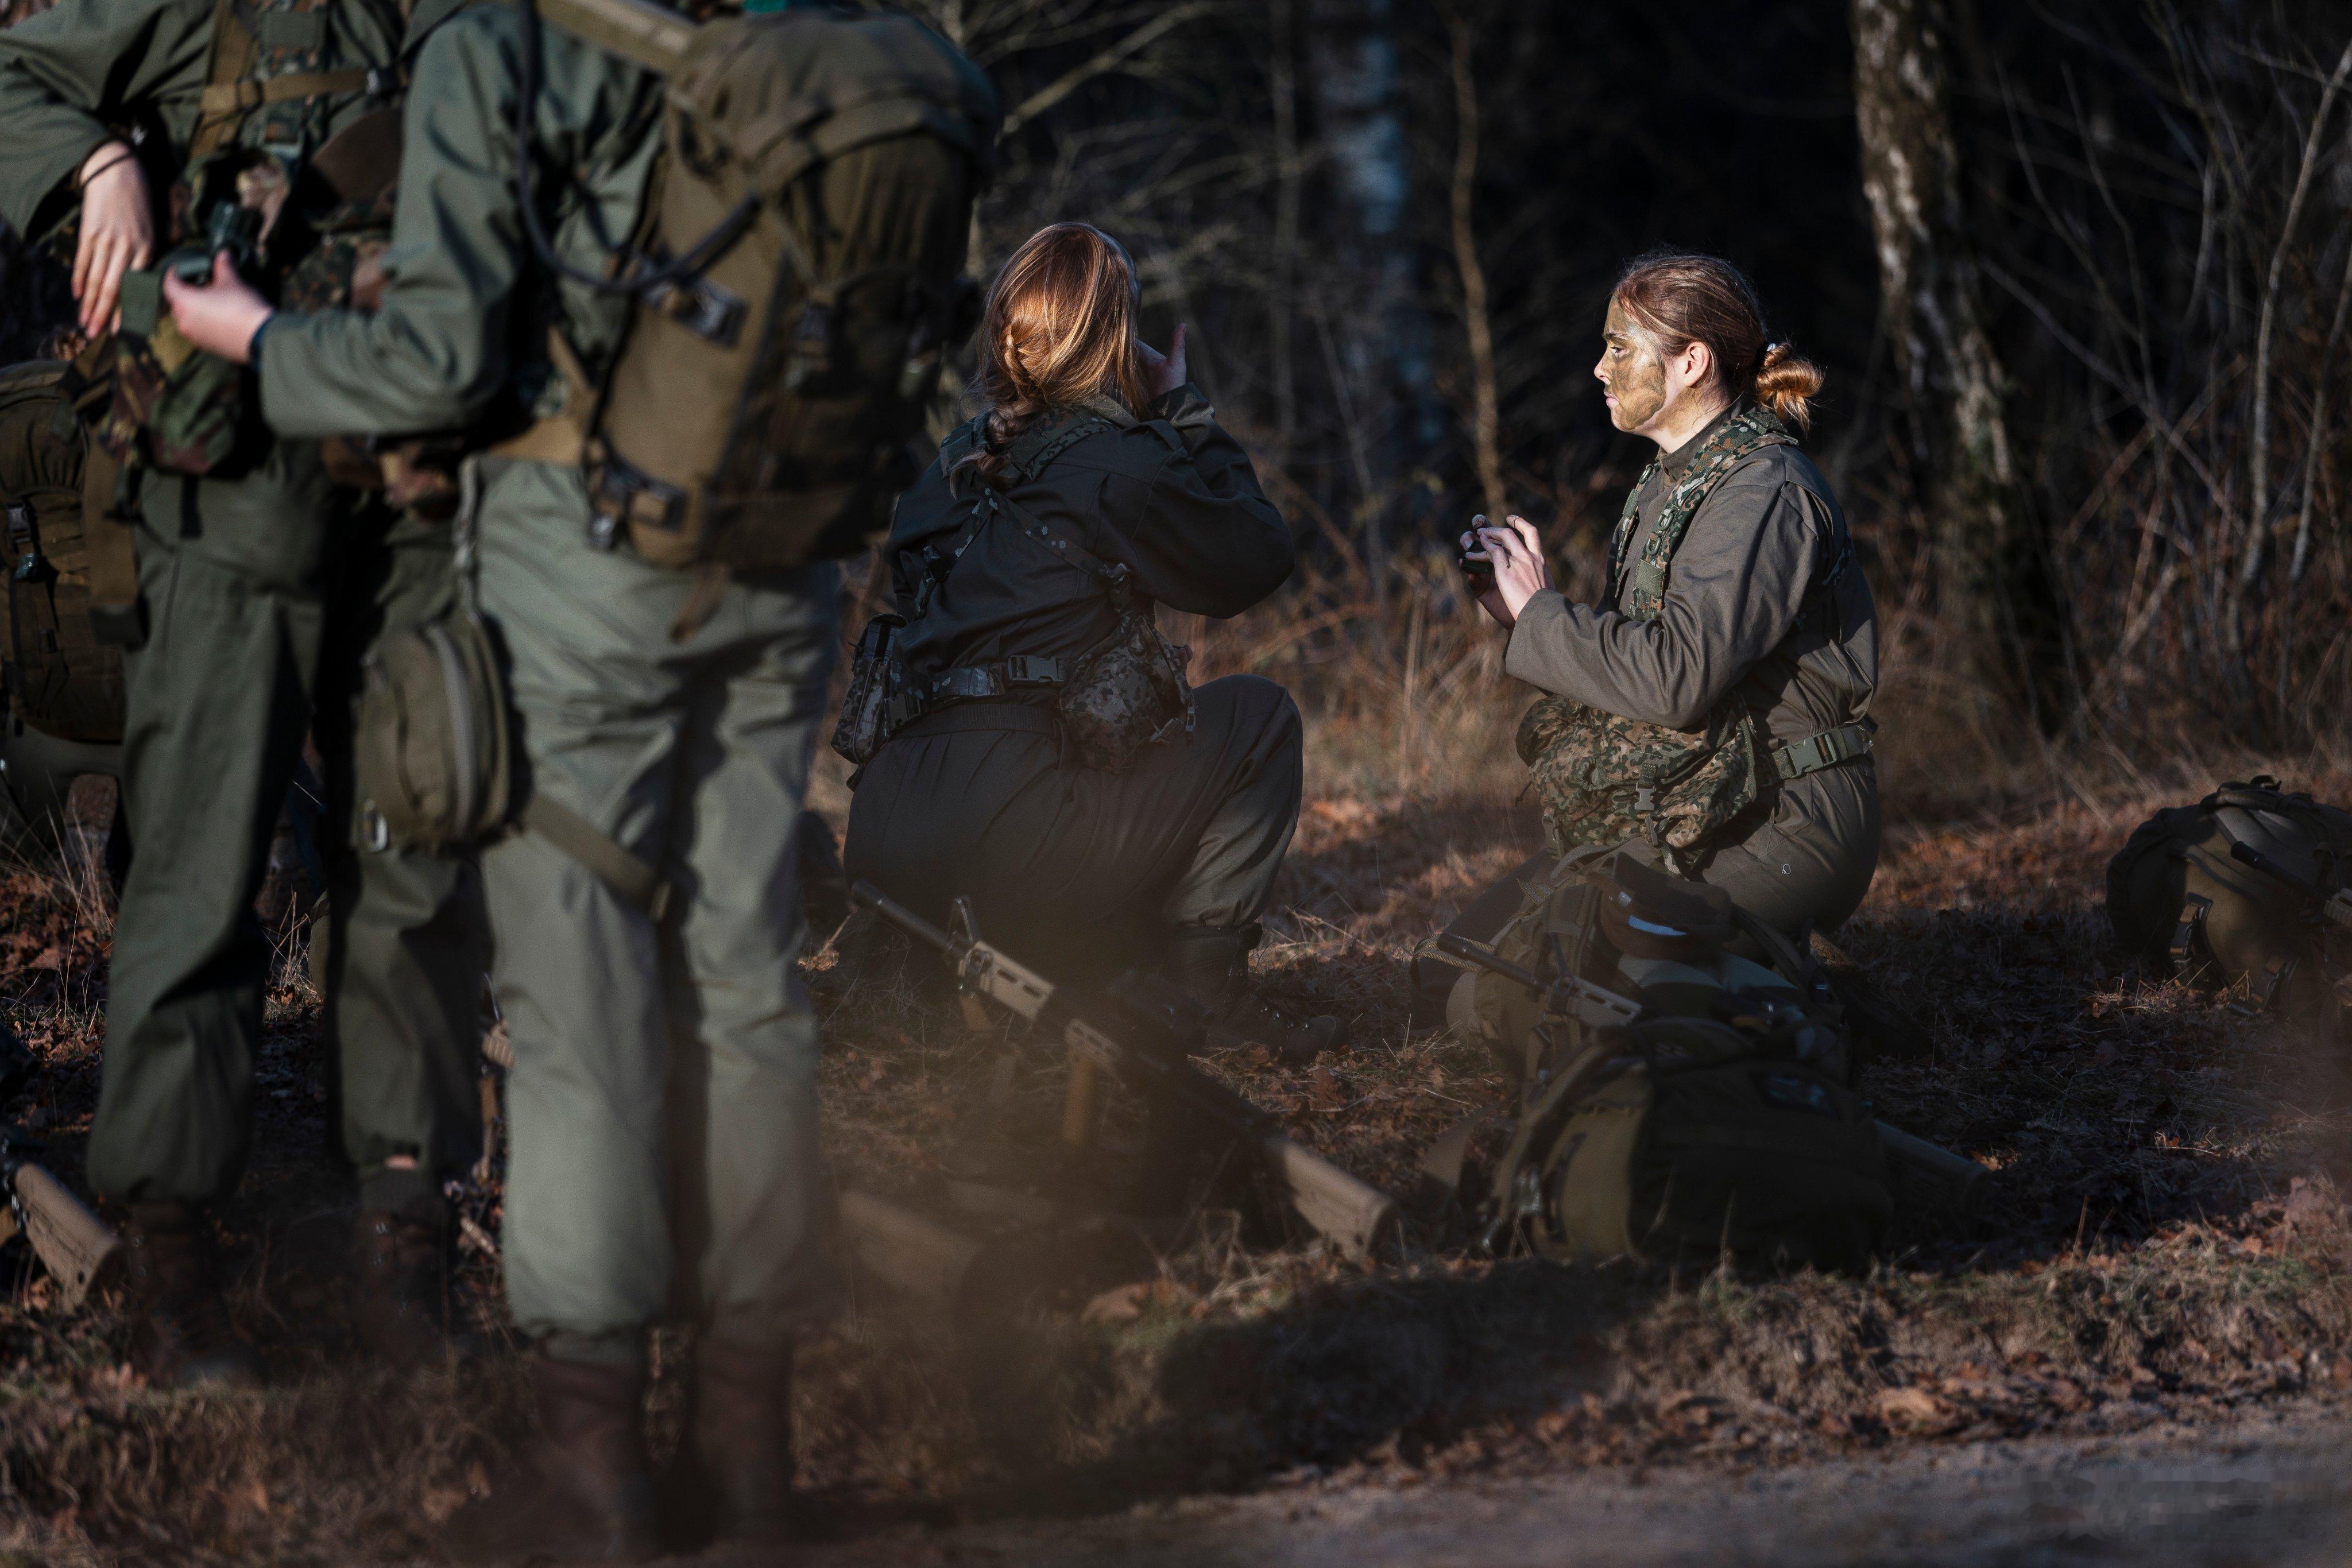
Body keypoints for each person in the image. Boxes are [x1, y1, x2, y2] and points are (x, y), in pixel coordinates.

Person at [164, 0, 994, 1554]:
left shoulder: (508, 47)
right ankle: (748, 1458)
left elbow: (440, 357)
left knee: (577, 987)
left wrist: (257, 339)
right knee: (746, 972)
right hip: (788, 560)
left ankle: (593, 1461)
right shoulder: (807, 28)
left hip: (583, 559)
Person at [0, 0, 490, 1387]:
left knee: (415, 863)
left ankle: (403, 1241)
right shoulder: (199, 8)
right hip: (232, 496)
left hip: (426, 493)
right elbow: (10, 77)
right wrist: (97, 165)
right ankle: (174, 1265)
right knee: (204, 868)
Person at [841, 222, 1342, 1062]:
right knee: (1258, 716)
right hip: (1013, 839)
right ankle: (1209, 996)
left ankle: (949, 956)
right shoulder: (1122, 463)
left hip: (886, 846)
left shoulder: (949, 465)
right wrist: (1185, 411)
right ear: (1116, 334)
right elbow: (1256, 557)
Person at [1459, 248, 1880, 939]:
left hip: (1786, 816)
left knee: (1560, 973)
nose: (1600, 367)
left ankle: (1794, 1001)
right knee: (1460, 964)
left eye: (1619, 346)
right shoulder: (1671, 481)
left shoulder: (1762, 491)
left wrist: (1544, 614)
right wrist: (1519, 617)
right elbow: (1646, 666)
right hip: (1703, 796)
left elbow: (1676, 680)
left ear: (1691, 363)